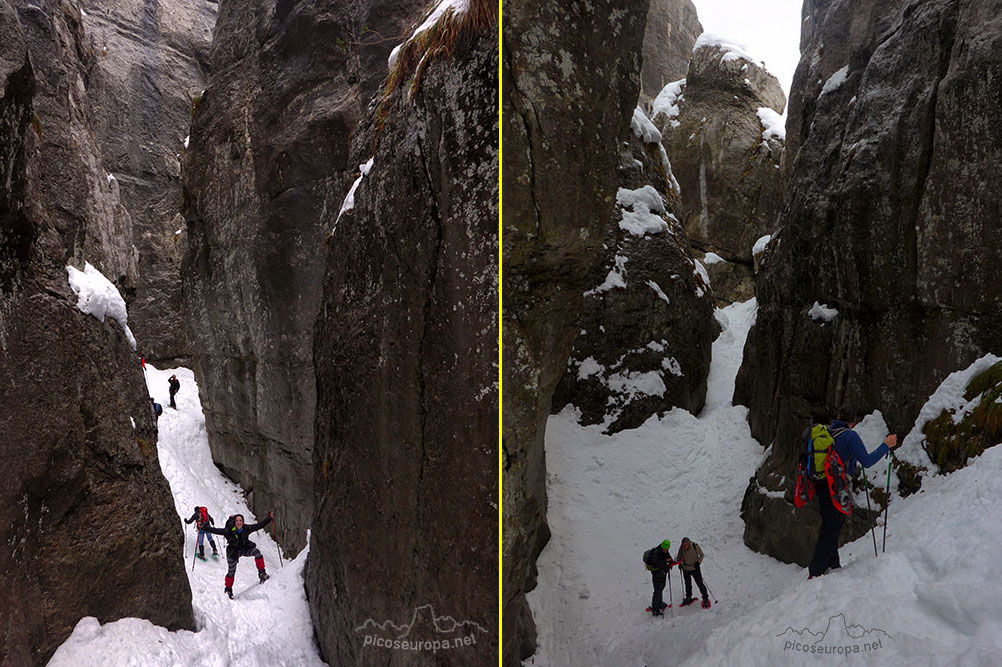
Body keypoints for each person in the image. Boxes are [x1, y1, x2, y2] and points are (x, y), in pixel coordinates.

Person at [808, 421, 898, 578]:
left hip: (821, 485)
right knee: (832, 528)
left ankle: (832, 565)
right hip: (836, 487)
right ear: (851, 422)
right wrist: (886, 445)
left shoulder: (827, 433)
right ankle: (816, 571)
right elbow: (867, 461)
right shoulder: (849, 435)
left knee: (830, 525)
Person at [202, 511, 274, 598]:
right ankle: (228, 589)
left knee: (257, 552)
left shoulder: (246, 528)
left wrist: (268, 518)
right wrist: (204, 527)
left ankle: (262, 573)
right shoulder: (228, 531)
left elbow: (258, 526)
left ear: (243, 522)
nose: (239, 522)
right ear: (234, 522)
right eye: (237, 521)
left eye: (240, 521)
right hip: (233, 552)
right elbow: (216, 530)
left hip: (245, 548)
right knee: (231, 572)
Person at [643, 539, 676, 616]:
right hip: (657, 574)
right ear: (662, 546)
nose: (666, 550)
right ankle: (655, 609)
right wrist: (665, 561)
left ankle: (659, 603)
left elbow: (667, 557)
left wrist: (670, 561)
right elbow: (656, 563)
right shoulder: (656, 552)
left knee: (661, 588)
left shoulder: (664, 551)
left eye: (667, 549)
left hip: (663, 573)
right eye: (665, 549)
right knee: (657, 590)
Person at [675, 537, 710, 608]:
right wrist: (680, 564)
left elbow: (702, 555)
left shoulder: (695, 546)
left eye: (685, 545)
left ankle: (705, 598)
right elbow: (679, 556)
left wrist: (698, 562)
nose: (684, 547)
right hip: (686, 568)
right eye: (683, 545)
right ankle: (688, 597)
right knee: (687, 584)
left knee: (700, 583)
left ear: (689, 543)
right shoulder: (681, 548)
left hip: (695, 568)